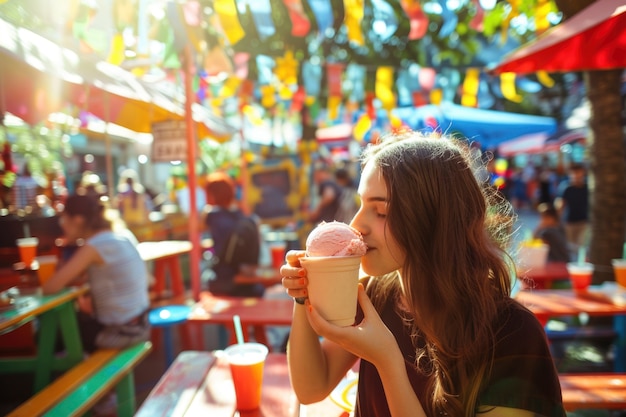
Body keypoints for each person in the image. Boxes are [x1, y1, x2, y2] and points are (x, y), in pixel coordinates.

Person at [281, 132, 566, 417]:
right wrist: (303, 294)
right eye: (361, 205)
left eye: (380, 211)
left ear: (432, 221)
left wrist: (387, 361)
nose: (356, 224)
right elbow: (311, 388)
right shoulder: (375, 295)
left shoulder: (513, 335)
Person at [42, 194, 150, 353]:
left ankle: (58, 375)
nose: (62, 226)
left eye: (63, 220)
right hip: (140, 325)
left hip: (119, 333)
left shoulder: (94, 246)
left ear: (78, 220)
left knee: (51, 333)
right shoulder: (121, 236)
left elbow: (50, 287)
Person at [203, 172, 262, 297]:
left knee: (205, 277)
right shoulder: (241, 215)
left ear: (212, 195)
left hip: (225, 278)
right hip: (248, 276)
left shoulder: (214, 216)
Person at [554, 164, 589, 252]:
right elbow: (561, 204)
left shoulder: (587, 187)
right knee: (570, 247)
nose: (576, 176)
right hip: (569, 223)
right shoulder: (566, 188)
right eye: (574, 173)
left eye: (579, 173)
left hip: (584, 222)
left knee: (581, 247)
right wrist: (557, 220)